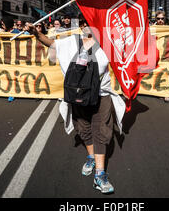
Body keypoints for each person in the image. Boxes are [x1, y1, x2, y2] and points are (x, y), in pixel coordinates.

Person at [26, 18, 125, 194]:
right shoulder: (70, 42)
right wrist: (36, 33)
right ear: (81, 26)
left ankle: (99, 175)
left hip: (101, 95)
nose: (90, 27)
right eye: (86, 23)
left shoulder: (108, 43)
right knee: (83, 128)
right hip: (77, 94)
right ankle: (90, 157)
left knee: (102, 131)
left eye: (95, 23)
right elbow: (50, 43)